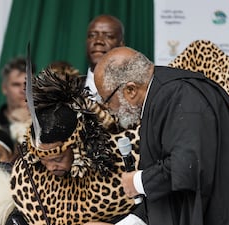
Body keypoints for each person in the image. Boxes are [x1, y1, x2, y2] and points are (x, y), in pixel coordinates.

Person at [93, 46, 229, 225]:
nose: (108, 109)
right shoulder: (161, 94)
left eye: (107, 100)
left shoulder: (178, 94)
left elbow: (188, 166)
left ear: (131, 89)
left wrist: (138, 181)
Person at [10, 68, 139, 225]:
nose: (51, 167)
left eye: (58, 158)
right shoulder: (28, 179)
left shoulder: (121, 159)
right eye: (43, 160)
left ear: (77, 146)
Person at [0, 57, 36, 146]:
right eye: (16, 84)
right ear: (4, 88)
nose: (23, 90)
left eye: (28, 84)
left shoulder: (49, 120)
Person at [85, 15, 125, 99]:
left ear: (121, 45)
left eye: (108, 36)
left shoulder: (132, 90)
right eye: (92, 35)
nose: (98, 41)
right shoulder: (68, 88)